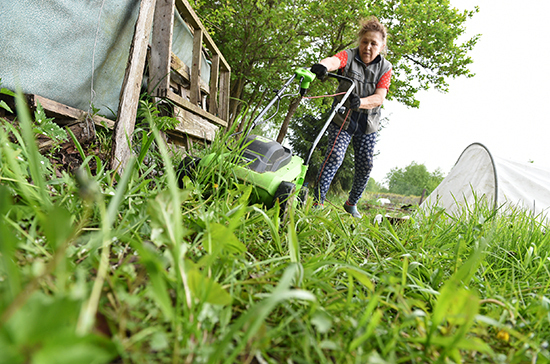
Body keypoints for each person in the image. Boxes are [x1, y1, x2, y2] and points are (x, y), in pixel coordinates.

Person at [309, 16, 392, 218]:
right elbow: (334, 61)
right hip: (343, 119)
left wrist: (361, 102)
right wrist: (322, 66)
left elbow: (380, 97)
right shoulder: (349, 55)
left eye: (374, 43)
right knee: (334, 157)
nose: (368, 47)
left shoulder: (385, 68)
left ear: (381, 47)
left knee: (365, 165)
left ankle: (351, 203)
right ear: (359, 42)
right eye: (365, 42)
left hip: (367, 123)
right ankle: (318, 202)